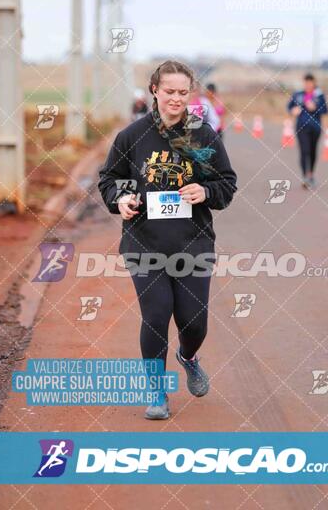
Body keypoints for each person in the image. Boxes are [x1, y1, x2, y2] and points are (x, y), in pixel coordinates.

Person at [98, 60, 237, 420]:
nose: (176, 98)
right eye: (169, 91)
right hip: (144, 244)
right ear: (154, 90)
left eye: (182, 92)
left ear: (190, 94)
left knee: (194, 323)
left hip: (193, 244)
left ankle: (188, 357)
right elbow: (110, 179)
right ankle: (157, 393)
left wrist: (204, 191)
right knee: (156, 315)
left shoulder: (202, 136)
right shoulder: (133, 136)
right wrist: (123, 198)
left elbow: (226, 184)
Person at [287, 73, 328, 188]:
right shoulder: (298, 95)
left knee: (312, 152)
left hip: (315, 127)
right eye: (306, 82)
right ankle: (305, 176)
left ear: (314, 83)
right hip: (301, 127)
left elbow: (326, 110)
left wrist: (315, 108)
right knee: (304, 151)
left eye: (310, 82)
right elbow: (289, 107)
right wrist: (293, 111)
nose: (308, 85)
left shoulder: (319, 95)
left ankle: (311, 174)